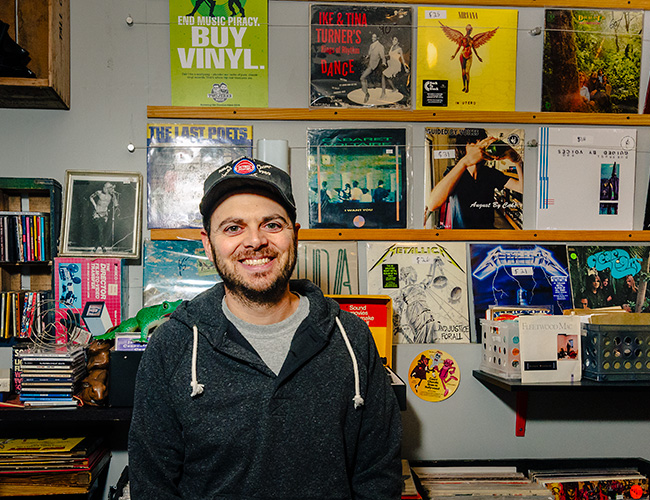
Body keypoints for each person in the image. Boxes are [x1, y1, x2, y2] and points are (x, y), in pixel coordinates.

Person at [128, 157, 402, 499]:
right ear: (208, 245)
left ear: (295, 235)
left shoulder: (352, 337)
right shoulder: (172, 344)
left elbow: (379, 478)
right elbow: (152, 486)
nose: (255, 241)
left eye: (272, 224)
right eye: (233, 228)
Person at [425, 129, 523, 229]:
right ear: (464, 148)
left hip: (486, 235)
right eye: (473, 143)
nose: (479, 147)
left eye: (481, 142)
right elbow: (433, 204)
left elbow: (522, 188)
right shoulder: (454, 172)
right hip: (460, 237)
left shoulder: (491, 173)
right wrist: (465, 162)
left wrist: (517, 161)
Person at [89, 181, 118, 251]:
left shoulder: (110, 196)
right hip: (97, 214)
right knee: (100, 229)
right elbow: (91, 197)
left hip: (104, 215)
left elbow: (116, 205)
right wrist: (95, 205)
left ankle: (95, 247)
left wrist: (114, 195)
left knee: (101, 231)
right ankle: (102, 246)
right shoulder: (99, 193)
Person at [360, 33, 386, 103]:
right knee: (362, 78)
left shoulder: (380, 46)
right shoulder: (371, 45)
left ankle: (383, 93)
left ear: (377, 38)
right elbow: (369, 54)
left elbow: (383, 57)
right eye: (372, 37)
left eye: (374, 37)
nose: (372, 38)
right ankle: (366, 94)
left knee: (383, 77)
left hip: (377, 65)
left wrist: (384, 63)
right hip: (371, 65)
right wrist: (366, 57)